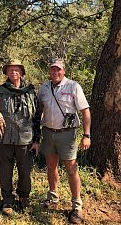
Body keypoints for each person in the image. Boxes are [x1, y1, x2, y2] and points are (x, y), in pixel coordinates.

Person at [37, 58, 91, 224]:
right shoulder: (44, 88)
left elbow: (85, 111)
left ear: (64, 71)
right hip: (48, 132)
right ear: (49, 71)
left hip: (67, 134)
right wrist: (34, 135)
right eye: (53, 69)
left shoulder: (73, 86)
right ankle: (53, 196)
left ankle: (76, 206)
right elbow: (38, 111)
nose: (55, 72)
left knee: (71, 169)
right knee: (51, 166)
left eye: (58, 69)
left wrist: (86, 135)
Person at [0, 59, 41, 215]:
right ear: (6, 73)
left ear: (22, 72)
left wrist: (37, 140)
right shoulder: (0, 91)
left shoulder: (31, 91)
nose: (14, 72)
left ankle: (23, 198)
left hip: (26, 139)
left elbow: (37, 117)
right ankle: (7, 200)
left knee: (25, 171)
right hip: (4, 138)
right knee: (5, 171)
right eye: (10, 70)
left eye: (17, 70)